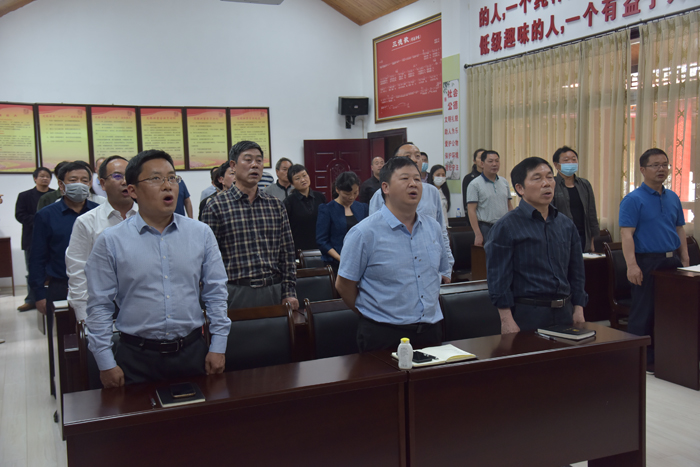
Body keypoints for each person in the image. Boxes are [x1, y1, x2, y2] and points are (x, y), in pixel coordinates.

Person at [85, 149, 231, 387]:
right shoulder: (111, 241)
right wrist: (105, 362)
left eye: (172, 178)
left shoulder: (200, 233)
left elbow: (216, 292)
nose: (167, 186)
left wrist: (218, 346)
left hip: (192, 352)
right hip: (136, 357)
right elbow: (99, 305)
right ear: (132, 190)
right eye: (156, 178)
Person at [335, 157, 451, 352]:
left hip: (430, 331)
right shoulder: (364, 233)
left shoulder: (433, 227)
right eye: (405, 178)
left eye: (417, 179)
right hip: (383, 334)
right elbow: (344, 284)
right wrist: (371, 313)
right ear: (386, 187)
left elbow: (439, 271)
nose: (413, 184)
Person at [485, 157, 587, 334]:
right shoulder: (506, 227)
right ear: (520, 189)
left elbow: (577, 271)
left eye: (549, 177)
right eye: (537, 178)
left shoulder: (566, 224)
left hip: (565, 311)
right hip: (528, 314)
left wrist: (579, 307)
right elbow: (498, 278)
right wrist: (506, 319)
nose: (546, 183)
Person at [201, 141, 298, 311]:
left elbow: (287, 253)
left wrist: (289, 292)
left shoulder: (275, 205)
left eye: (259, 160)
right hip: (235, 293)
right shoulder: (216, 207)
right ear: (233, 165)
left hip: (273, 291)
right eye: (248, 160)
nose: (255, 165)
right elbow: (208, 260)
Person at [28, 161, 98, 395]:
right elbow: (37, 257)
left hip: (97, 287)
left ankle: (93, 389)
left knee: (95, 341)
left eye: (85, 180)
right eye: (73, 180)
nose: (80, 185)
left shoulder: (99, 212)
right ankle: (63, 395)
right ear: (61, 184)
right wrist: (39, 294)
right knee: (63, 344)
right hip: (60, 287)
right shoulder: (46, 216)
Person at [619, 148, 688, 372]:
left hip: (671, 262)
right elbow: (626, 234)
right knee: (644, 312)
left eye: (665, 165)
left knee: (671, 310)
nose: (662, 169)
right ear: (642, 169)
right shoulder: (633, 199)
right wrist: (631, 265)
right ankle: (638, 359)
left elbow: (679, 228)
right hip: (647, 262)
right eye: (655, 165)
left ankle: (666, 354)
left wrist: (685, 257)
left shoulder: (672, 197)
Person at [66, 156, 138, 322]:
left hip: (144, 306)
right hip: (103, 307)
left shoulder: (149, 217)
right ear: (103, 184)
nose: (125, 181)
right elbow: (77, 270)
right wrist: (84, 316)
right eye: (117, 176)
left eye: (129, 176)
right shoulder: (87, 222)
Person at [369, 143, 454, 276]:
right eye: (408, 156)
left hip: (428, 264)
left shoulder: (432, 192)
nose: (414, 160)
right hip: (396, 265)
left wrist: (447, 266)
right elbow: (373, 232)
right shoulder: (380, 195)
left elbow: (441, 231)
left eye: (418, 156)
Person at [14, 167, 54, 312]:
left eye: (47, 176)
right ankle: (31, 300)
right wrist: (39, 221)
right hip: (31, 238)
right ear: (35, 178)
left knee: (52, 269)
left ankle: (51, 298)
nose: (45, 179)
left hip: (52, 238)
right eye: (42, 176)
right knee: (33, 270)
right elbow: (20, 215)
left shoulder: (54, 195)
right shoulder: (24, 196)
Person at [316, 171, 369, 274]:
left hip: (358, 262)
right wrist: (341, 258)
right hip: (335, 263)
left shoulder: (362, 208)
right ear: (337, 189)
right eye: (347, 194)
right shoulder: (327, 209)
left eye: (355, 193)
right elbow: (322, 241)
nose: (352, 197)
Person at [552, 146, 600, 253]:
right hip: (561, 238)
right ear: (556, 165)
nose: (571, 163)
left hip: (583, 237)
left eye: (574, 159)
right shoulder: (552, 185)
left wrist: (592, 241)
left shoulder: (585, 184)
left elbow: (591, 213)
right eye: (566, 160)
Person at [466, 150, 513, 247]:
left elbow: (509, 205)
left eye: (497, 161)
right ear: (482, 164)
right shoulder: (474, 184)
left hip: (505, 227)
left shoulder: (504, 182)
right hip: (487, 228)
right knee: (490, 255)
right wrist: (478, 234)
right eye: (490, 161)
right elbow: (471, 210)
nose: (494, 164)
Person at [283, 164, 327, 251]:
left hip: (321, 247)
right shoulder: (288, 202)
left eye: (304, 175)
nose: (303, 180)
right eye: (297, 178)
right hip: (299, 249)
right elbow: (285, 230)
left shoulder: (320, 197)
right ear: (292, 183)